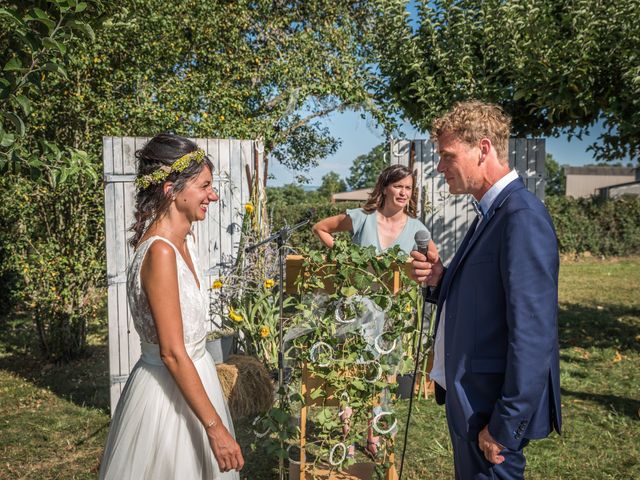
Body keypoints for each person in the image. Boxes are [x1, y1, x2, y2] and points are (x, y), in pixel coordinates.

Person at [411, 101, 561, 479]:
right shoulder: (491, 213)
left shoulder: (520, 217)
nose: (440, 167)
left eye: (447, 156)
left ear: (483, 148)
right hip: (472, 401)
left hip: (489, 411)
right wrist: (440, 281)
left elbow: (533, 334)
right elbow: (489, 299)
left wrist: (504, 425)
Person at [99, 133, 244, 479]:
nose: (214, 194)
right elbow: (172, 353)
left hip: (197, 379)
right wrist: (216, 428)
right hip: (168, 397)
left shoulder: (185, 242)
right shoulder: (161, 252)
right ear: (171, 189)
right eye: (204, 186)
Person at [312, 164, 434, 458]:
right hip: (353, 312)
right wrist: (342, 259)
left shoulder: (418, 229)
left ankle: (373, 437)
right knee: (350, 373)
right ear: (385, 187)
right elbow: (320, 227)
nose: (404, 192)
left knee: (379, 376)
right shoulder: (361, 218)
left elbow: (432, 262)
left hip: (391, 317)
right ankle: (347, 440)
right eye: (399, 186)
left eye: (408, 188)